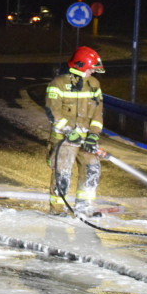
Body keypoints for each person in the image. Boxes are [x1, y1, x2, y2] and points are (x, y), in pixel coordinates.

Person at [45, 46, 105, 217]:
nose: (93, 72)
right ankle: (58, 210)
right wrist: (68, 131)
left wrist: (93, 135)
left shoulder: (94, 85)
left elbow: (98, 113)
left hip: (85, 139)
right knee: (62, 173)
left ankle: (84, 208)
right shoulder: (58, 84)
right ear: (80, 65)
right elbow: (53, 112)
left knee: (92, 168)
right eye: (90, 68)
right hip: (64, 139)